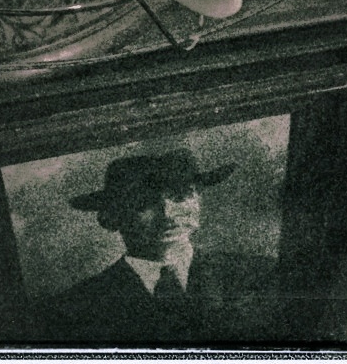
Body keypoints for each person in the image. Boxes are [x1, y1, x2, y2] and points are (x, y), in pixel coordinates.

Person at [43, 148, 274, 347]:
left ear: (198, 200)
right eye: (144, 203)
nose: (168, 214)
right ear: (112, 217)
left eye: (180, 196)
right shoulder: (75, 307)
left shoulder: (260, 274)